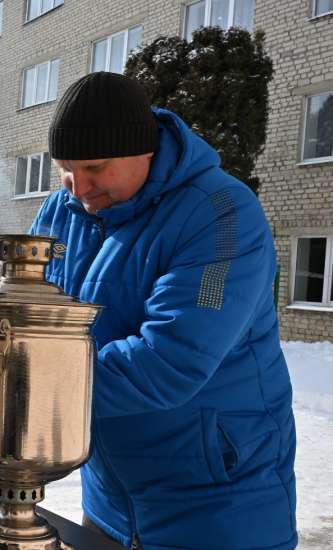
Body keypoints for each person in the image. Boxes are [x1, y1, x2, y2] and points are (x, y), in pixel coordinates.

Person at [26, 72, 297, 549]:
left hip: (217, 507)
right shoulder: (60, 212)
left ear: (143, 149)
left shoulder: (224, 217)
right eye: (65, 168)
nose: (78, 188)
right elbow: (34, 320)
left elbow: (170, 361)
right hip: (109, 501)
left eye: (95, 167)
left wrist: (24, 385)